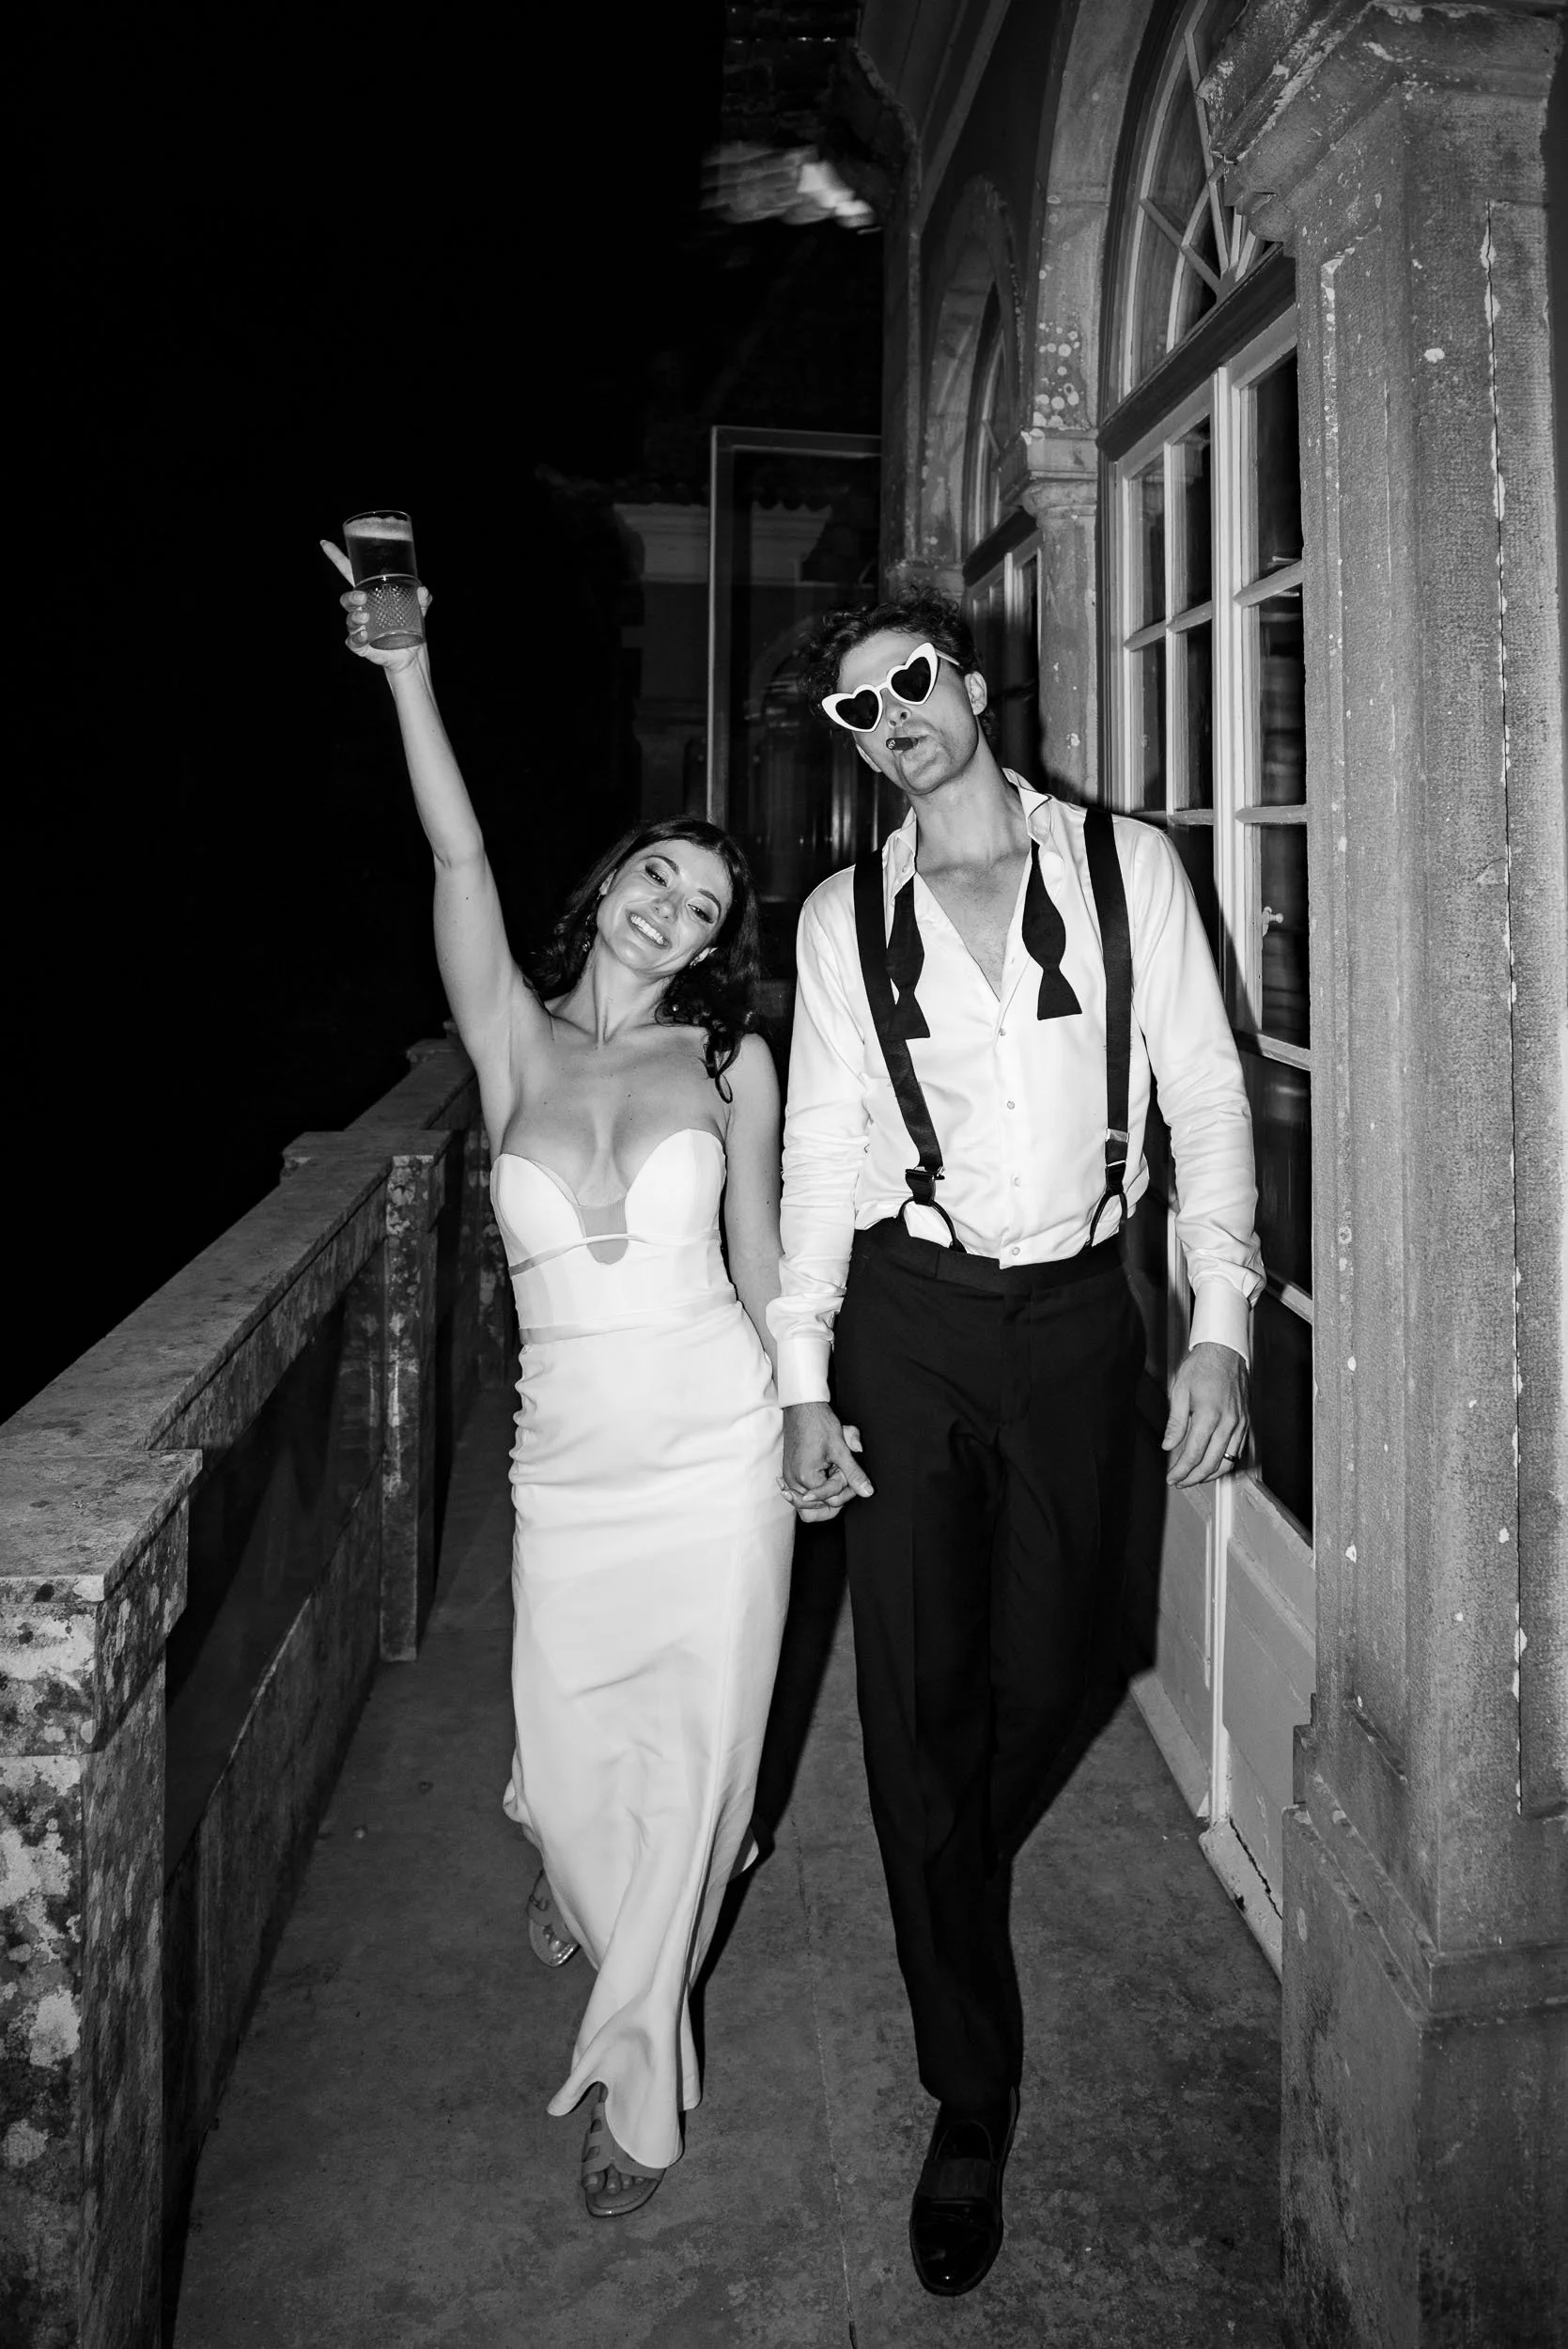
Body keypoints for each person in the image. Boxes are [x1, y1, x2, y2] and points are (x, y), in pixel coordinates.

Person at [771, 592, 1263, 2297]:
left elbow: (1204, 1096)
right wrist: (804, 1377)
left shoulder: (1131, 870)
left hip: (1076, 1324)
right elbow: (822, 1153)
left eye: (909, 682)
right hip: (907, 1321)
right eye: (856, 712)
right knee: (915, 1701)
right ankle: (967, 2094)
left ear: (973, 687)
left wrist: (1218, 1324)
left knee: (1070, 1655)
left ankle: (951, 1855)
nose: (890, 716)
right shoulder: (848, 917)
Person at [322, 542, 795, 2218]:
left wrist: (806, 1413)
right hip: (573, 1472)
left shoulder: (729, 1060)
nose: (677, 917)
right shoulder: (512, 1041)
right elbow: (453, 846)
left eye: (709, 911)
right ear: (607, 887)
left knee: (695, 1772)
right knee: (584, 1767)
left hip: (719, 1452)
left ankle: (641, 2080)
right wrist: (405, 669)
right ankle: (582, 1883)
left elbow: (757, 1259)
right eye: (659, 882)